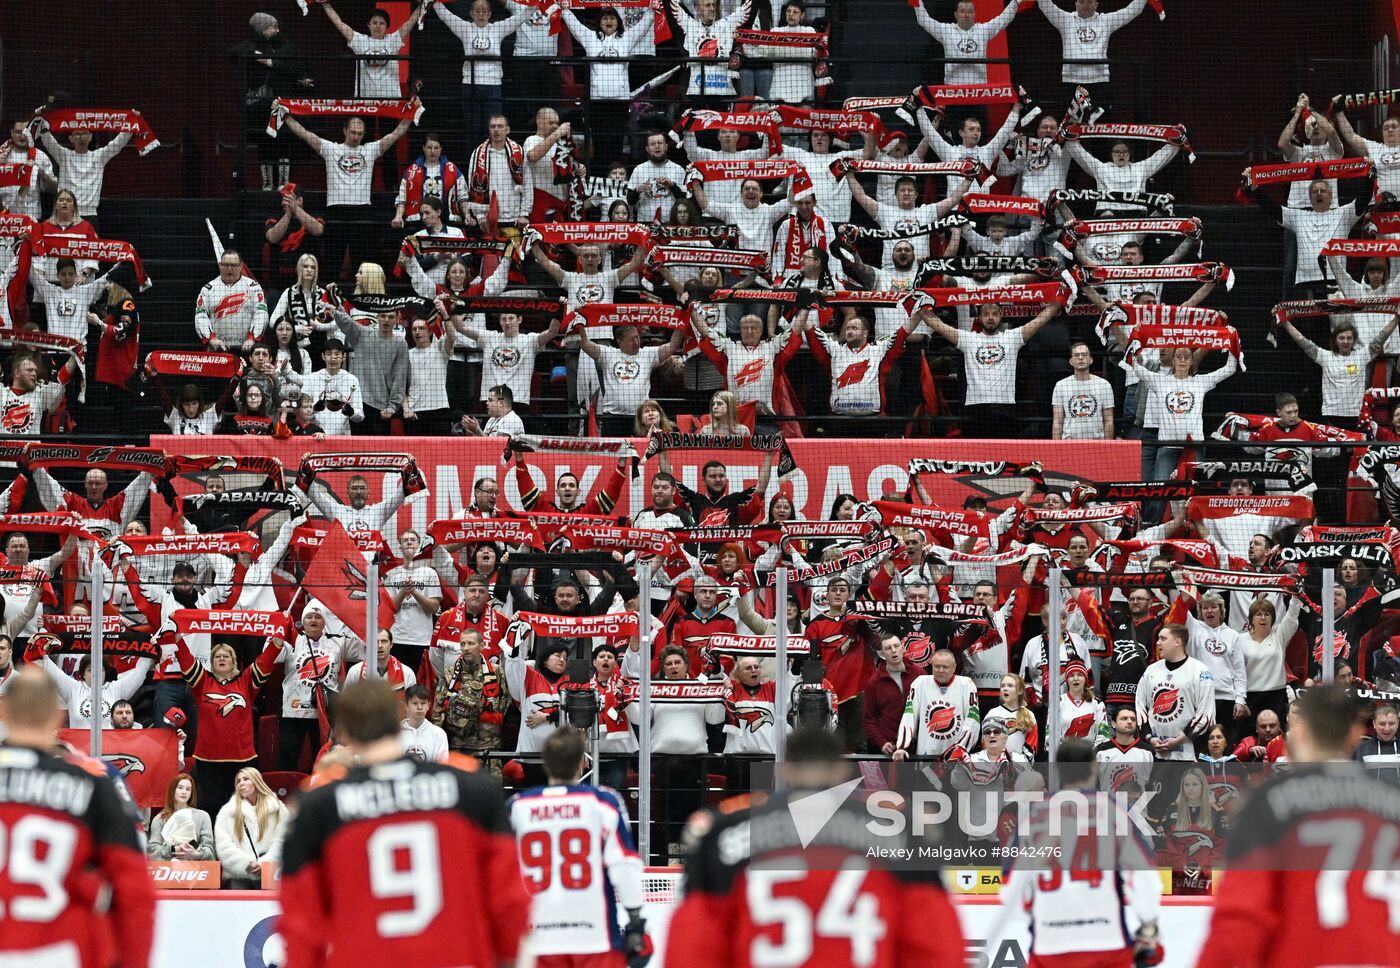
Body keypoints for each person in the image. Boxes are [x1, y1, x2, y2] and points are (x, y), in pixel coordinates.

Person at [666, 727, 967, 967]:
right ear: (841, 771)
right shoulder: (900, 830)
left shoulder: (723, 832)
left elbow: (694, 948)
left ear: (785, 771)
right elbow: (935, 948)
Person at [280, 679, 530, 968]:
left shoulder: (318, 807)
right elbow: (510, 900)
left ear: (345, 729)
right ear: (397, 716)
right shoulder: (472, 790)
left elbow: (300, 924)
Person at [1198, 684, 1400, 967]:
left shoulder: (1271, 804)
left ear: (1300, 731)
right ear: (1356, 735)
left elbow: (1240, 922)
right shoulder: (1392, 806)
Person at [0, 668, 155, 968]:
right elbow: (134, 890)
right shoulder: (93, 782)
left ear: (4, 712)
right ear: (56, 716)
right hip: (61, 952)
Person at [1001, 738, 1163, 965]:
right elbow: (1144, 875)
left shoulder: (1033, 815)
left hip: (1049, 944)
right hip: (1107, 941)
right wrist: (1149, 924)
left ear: (1057, 770)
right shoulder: (1113, 809)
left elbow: (1010, 888)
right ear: (1094, 767)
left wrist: (1036, 915)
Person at [508, 728, 648, 966]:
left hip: (538, 938)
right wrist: (636, 920)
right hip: (595, 936)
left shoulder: (518, 807)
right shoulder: (603, 802)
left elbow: (501, 874)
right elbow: (624, 865)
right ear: (583, 762)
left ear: (546, 764)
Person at [279, 113, 412, 281]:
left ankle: (362, 301)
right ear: (345, 131)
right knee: (332, 263)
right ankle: (328, 300)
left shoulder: (370, 150)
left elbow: (395, 134)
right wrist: (286, 117)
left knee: (363, 265)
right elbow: (305, 134)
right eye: (353, 132)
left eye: (360, 133)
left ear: (364, 134)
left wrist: (409, 114)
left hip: (362, 212)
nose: (356, 136)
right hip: (336, 211)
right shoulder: (331, 149)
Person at [167, 636, 284, 810]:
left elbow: (264, 662)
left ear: (234, 661)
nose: (221, 659)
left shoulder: (245, 681)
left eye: (226, 656)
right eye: (217, 656)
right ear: (211, 662)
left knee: (242, 808)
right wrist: (177, 639)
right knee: (210, 806)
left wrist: (277, 643)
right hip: (208, 760)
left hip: (242, 758)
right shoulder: (202, 681)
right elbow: (186, 661)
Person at [924, 300, 1063, 438]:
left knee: (1005, 458)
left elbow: (1040, 320)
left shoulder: (1012, 337)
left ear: (1001, 315)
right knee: (976, 458)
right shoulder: (968, 339)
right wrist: (919, 305)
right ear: (978, 317)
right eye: (986, 314)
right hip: (974, 409)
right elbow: (938, 325)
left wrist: (1058, 301)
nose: (990, 317)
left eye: (995, 313)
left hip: (1005, 408)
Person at [434, 0, 535, 141]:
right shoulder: (464, 28)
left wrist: (538, 5)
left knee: (493, 128)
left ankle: (491, 160)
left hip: (493, 86)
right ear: (471, 14)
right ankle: (474, 160)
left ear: (489, 14)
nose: (481, 14)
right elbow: (445, 15)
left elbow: (520, 17)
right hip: (470, 84)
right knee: (472, 129)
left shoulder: (498, 28)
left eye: (484, 11)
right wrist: (432, 3)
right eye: (477, 11)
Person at [1037, 0, 1153, 112]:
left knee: (1102, 124)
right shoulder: (1065, 20)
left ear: (1096, 4)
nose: (1085, 5)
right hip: (1071, 81)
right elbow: (1045, 5)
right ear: (1076, 4)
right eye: (1082, 2)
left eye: (1089, 1)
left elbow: (1132, 11)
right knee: (1070, 125)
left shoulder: (1106, 20)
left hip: (1099, 81)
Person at [579, 325, 684, 436]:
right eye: (631, 339)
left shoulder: (648, 354)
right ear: (620, 341)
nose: (636, 342)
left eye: (637, 337)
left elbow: (673, 345)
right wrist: (580, 325)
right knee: (614, 452)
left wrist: (681, 323)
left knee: (643, 452)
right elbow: (585, 344)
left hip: (640, 418)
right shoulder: (607, 354)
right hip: (613, 417)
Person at [1136, 623, 1215, 761]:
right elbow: (1140, 706)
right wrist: (1149, 738)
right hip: (1155, 752)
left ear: (1177, 641)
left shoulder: (1200, 671)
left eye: (1163, 638)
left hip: (1189, 753)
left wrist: (1179, 740)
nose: (1158, 642)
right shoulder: (1151, 670)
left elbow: (1205, 714)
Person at [33, 114, 133, 223]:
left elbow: (117, 144)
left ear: (90, 137)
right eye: (77, 134)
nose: (81, 137)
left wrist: (132, 122)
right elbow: (49, 142)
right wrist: (40, 119)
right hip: (65, 213)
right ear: (71, 138)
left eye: (85, 133)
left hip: (90, 215)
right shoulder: (64, 156)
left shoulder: (99, 156)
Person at [318, 3, 423, 100]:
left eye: (382, 23)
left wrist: (423, 4)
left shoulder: (393, 40)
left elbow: (411, 22)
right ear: (368, 24)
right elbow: (339, 23)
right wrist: (325, 4)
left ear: (387, 26)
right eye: (374, 22)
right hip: (365, 99)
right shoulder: (359, 40)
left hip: (391, 99)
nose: (378, 26)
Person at [909, 0, 1020, 86]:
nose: (967, 15)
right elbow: (924, 20)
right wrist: (917, 2)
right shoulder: (946, 30)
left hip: (979, 89)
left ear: (975, 14)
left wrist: (1016, 2)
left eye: (970, 11)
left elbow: (1004, 18)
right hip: (953, 88)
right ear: (956, 14)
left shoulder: (983, 30)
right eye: (962, 11)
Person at [214, 766, 289, 888]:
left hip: (271, 874)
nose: (241, 784)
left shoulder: (277, 808)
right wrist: (246, 864)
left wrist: (265, 863)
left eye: (246, 779)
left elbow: (284, 839)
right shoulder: (227, 811)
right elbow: (223, 845)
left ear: (256, 781)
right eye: (238, 781)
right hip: (239, 877)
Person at [670, 0, 753, 102]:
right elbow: (671, 8)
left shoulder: (726, 25)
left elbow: (749, 9)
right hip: (696, 93)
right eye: (707, 5)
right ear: (697, 9)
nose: (712, 8)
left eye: (713, 5)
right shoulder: (690, 26)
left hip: (724, 93)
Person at [463, 114, 534, 229]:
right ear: (489, 130)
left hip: (514, 220)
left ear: (508, 130)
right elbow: (473, 185)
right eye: (493, 126)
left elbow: (527, 184)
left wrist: (524, 214)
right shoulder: (478, 154)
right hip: (486, 221)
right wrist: (480, 215)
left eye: (500, 126)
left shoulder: (519, 152)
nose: (496, 130)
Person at [195, 250, 268, 353]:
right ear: (220, 265)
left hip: (247, 349)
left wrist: (252, 338)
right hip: (217, 349)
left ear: (241, 266)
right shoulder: (208, 289)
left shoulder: (253, 287)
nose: (229, 269)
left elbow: (261, 313)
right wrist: (211, 338)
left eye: (233, 265)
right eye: (225, 265)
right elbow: (200, 316)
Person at [394, 134, 462, 228]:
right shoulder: (411, 171)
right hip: (418, 222)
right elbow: (402, 197)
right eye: (429, 147)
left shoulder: (452, 169)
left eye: (436, 147)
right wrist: (398, 216)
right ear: (423, 148)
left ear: (441, 148)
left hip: (445, 220)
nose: (433, 151)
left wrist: (467, 215)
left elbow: (463, 195)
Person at [1052, 341, 1115, 439]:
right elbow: (1057, 422)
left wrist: (1108, 448)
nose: (1080, 358)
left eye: (1084, 355)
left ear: (1090, 360)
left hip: (1097, 444)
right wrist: (1056, 449)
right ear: (1071, 361)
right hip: (1069, 445)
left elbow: (1109, 421)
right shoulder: (1061, 386)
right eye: (1076, 355)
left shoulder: (1104, 385)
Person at [148, 773, 216, 861]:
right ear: (173, 790)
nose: (184, 792)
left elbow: (209, 849)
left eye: (188, 789)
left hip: (197, 870)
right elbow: (153, 850)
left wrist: (196, 854)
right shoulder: (159, 819)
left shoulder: (203, 816)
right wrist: (173, 849)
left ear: (191, 793)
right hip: (168, 871)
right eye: (180, 788)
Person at [400, 683, 449, 763]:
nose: (419, 707)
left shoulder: (439, 734)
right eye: (415, 703)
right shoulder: (395, 734)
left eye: (423, 703)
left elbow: (442, 767)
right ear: (406, 706)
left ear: (428, 706)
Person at [459, 383, 527, 437]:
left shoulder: (512, 420)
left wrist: (478, 430)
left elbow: (497, 447)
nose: (487, 403)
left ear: (501, 403)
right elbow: (484, 444)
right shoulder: (492, 419)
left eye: (490, 400)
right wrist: (472, 434)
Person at [1354, 702, 1400, 779]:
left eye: (1391, 724)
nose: (1387, 728)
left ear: (1398, 724)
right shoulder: (1362, 749)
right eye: (1382, 724)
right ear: (1374, 724)